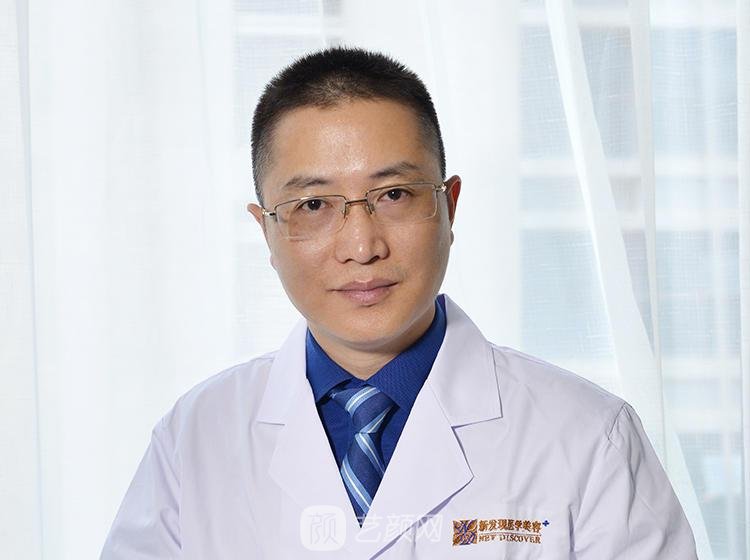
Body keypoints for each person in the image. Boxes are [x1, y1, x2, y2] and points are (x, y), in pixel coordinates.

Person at [100, 47, 698, 559]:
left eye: (393, 195)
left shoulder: (588, 437)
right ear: (266, 231)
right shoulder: (194, 439)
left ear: (449, 207)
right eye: (314, 205)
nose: (362, 247)